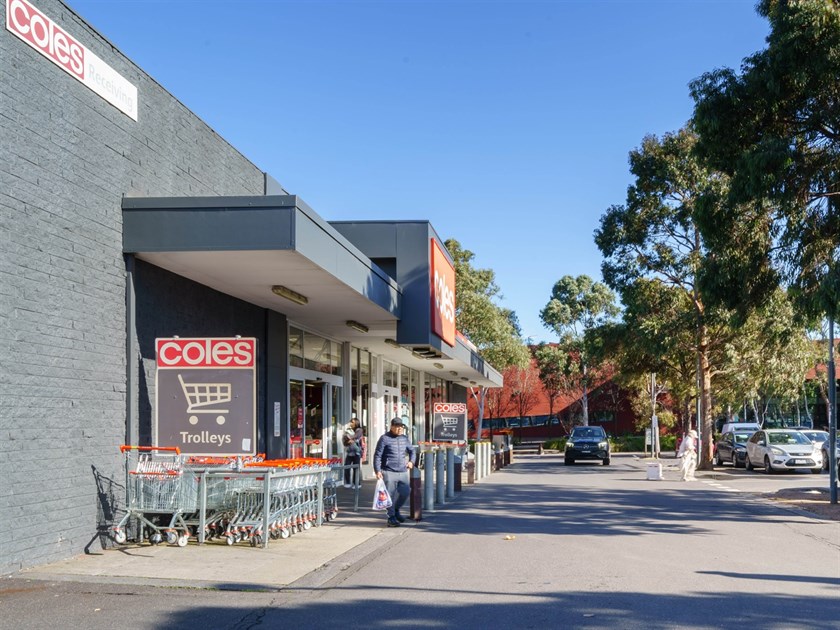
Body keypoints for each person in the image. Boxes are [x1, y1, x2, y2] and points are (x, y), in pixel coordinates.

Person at [373, 417, 416, 527]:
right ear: (392, 427)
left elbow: (412, 451)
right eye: (397, 426)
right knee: (389, 495)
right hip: (388, 471)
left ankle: (396, 510)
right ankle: (391, 517)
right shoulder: (384, 438)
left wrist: (411, 461)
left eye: (401, 426)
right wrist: (377, 470)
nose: (400, 428)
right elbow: (377, 455)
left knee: (406, 492)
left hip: (402, 471)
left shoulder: (404, 438)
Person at [342, 417, 363, 488]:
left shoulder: (359, 430)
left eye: (352, 422)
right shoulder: (348, 430)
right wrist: (349, 439)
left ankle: (357, 483)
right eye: (351, 422)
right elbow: (345, 439)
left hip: (357, 452)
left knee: (356, 468)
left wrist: (350, 438)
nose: (351, 423)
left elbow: (356, 436)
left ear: (356, 423)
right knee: (347, 467)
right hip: (349, 452)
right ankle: (347, 482)